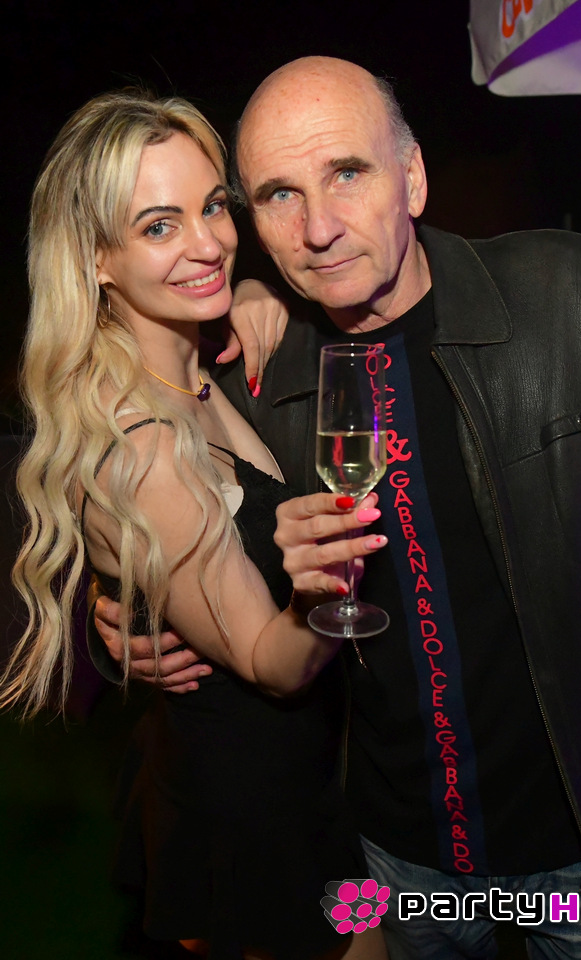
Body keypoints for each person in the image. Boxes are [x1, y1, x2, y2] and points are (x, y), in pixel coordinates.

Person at [93, 57, 581, 959]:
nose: (318, 228)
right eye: (279, 195)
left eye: (347, 172)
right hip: (396, 868)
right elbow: (188, 530)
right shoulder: (254, 378)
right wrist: (120, 610)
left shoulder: (574, 295)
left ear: (412, 177)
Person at [0, 87, 391, 960]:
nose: (209, 243)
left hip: (288, 777)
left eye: (212, 206)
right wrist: (324, 584)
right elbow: (273, 664)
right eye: (158, 226)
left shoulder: (198, 367)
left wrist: (252, 291)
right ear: (97, 260)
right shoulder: (140, 444)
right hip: (255, 814)